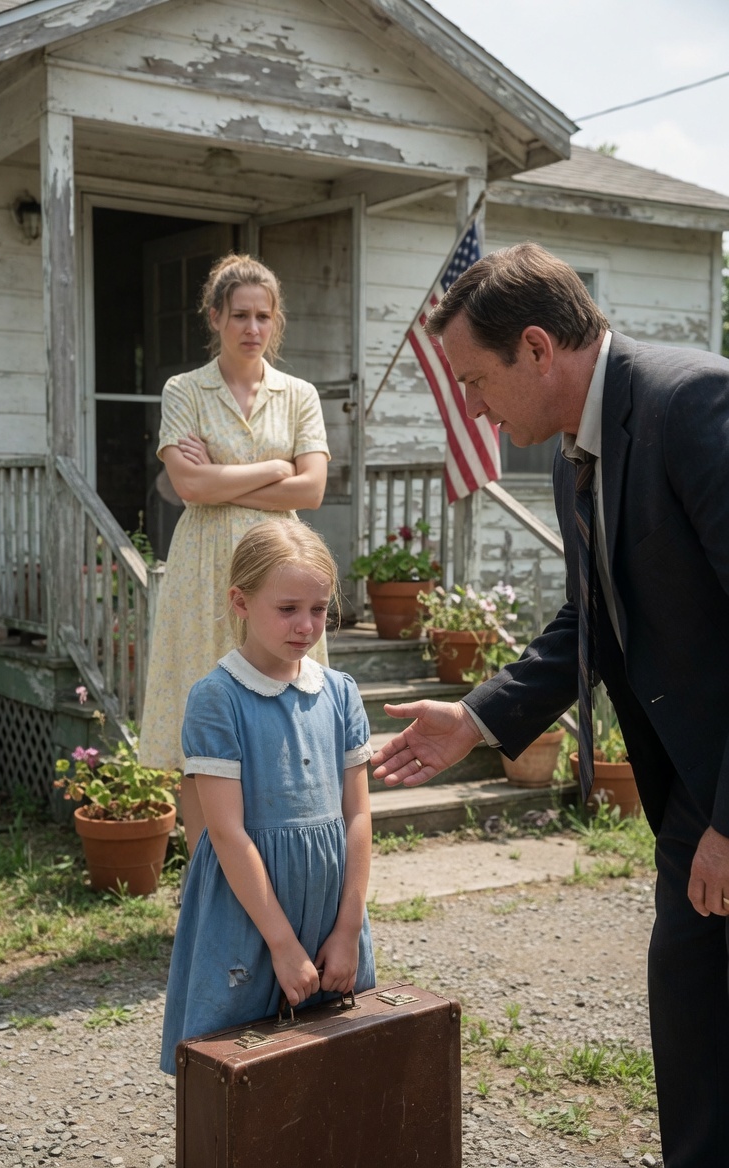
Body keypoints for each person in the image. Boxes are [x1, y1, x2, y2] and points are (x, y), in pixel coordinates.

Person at [371, 242, 729, 1167]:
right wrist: (480, 718)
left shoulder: (692, 404)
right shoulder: (582, 443)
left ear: (537, 347)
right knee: (693, 1035)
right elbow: (592, 617)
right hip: (695, 791)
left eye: (477, 382)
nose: (474, 407)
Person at [160, 520, 375, 1074]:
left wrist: (348, 927)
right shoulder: (217, 699)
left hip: (330, 909)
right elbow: (225, 831)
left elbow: (357, 814)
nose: (306, 626)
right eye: (288, 609)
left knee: (337, 1062)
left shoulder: (341, 694)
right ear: (241, 601)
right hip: (247, 913)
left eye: (319, 609)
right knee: (237, 1062)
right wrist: (280, 943)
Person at [138, 254, 330, 854]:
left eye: (263, 316)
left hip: (283, 566)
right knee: (204, 722)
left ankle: (276, 866)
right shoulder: (184, 390)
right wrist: (276, 467)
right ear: (216, 316)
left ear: (275, 323)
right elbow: (189, 488)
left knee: (280, 709)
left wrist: (226, 473)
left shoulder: (298, 395)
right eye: (240, 314)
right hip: (205, 570)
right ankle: (205, 878)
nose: (252, 327)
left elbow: (313, 489)